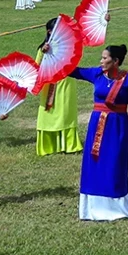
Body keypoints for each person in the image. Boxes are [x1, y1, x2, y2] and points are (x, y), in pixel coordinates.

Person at [71, 44, 128, 220]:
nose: (101, 61)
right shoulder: (96, 74)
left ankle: (117, 205)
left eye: (105, 58)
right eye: (101, 58)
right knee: (94, 163)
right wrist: (52, 54)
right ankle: (92, 207)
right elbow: (72, 71)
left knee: (114, 163)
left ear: (116, 61)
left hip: (118, 127)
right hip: (97, 126)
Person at [36, 18, 83, 156]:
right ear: (50, 32)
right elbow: (36, 67)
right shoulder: (43, 49)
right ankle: (48, 145)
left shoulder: (69, 45)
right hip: (49, 84)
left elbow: (82, 37)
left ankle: (69, 145)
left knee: (66, 113)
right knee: (48, 113)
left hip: (67, 83)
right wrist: (43, 52)